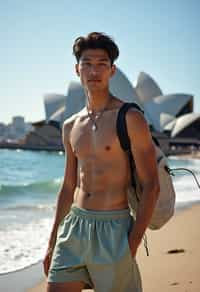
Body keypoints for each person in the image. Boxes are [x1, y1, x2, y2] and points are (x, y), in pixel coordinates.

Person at [43, 32, 160, 292]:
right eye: (87, 63)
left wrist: (132, 244)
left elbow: (152, 184)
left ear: (112, 70)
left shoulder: (130, 117)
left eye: (101, 64)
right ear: (77, 69)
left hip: (114, 229)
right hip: (74, 227)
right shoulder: (70, 125)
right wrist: (52, 242)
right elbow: (68, 186)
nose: (94, 71)